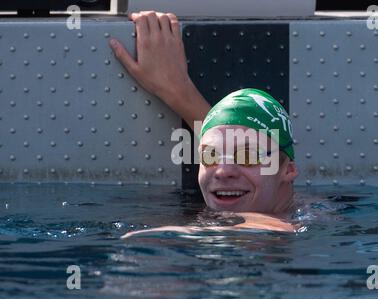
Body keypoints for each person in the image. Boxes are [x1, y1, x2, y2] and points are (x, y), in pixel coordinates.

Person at [109, 11, 299, 236]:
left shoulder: (302, 220)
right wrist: (176, 90)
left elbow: (277, 228)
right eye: (210, 156)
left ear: (288, 170)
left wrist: (176, 236)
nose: (223, 172)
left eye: (248, 156)